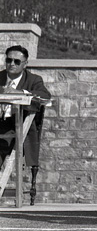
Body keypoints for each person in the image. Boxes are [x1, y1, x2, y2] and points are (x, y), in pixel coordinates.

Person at [0, 45, 52, 204]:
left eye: (17, 61)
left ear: (25, 64)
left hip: (18, 126)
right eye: (9, 60)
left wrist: (20, 93)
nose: (12, 64)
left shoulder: (33, 80)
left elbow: (45, 96)